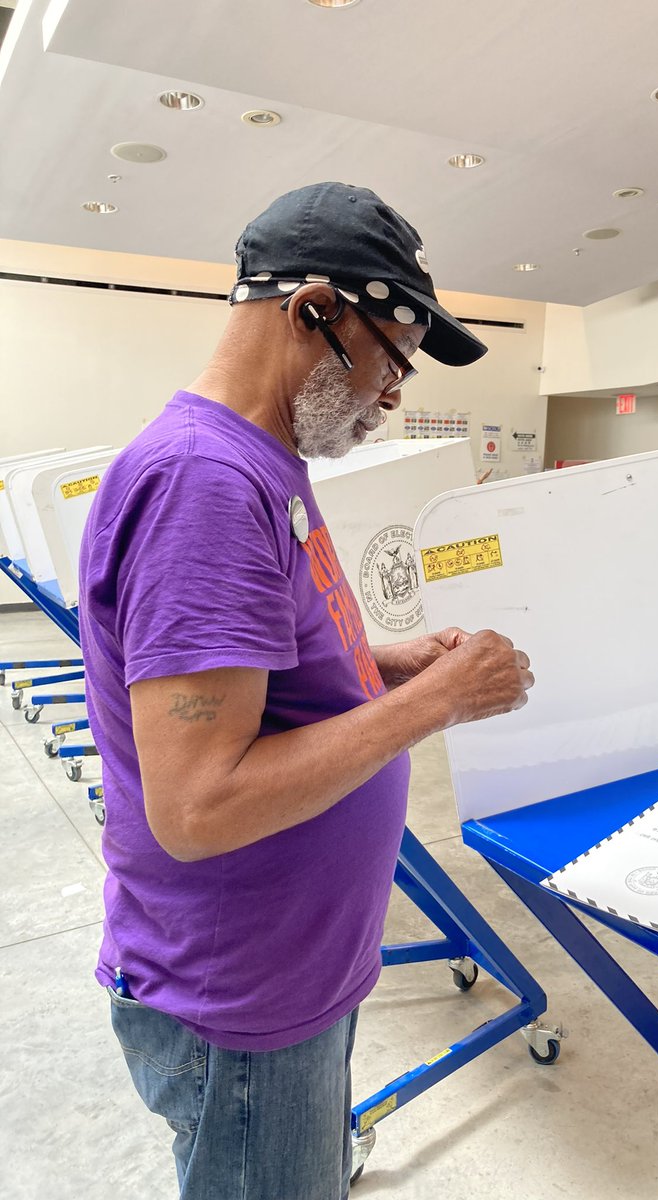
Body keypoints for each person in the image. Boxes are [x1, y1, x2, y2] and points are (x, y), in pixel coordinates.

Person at [78, 182, 534, 1200]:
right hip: (240, 1000)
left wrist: (380, 662)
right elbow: (200, 807)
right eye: (394, 356)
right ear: (313, 310)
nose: (396, 393)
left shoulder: (261, 463)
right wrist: (434, 705)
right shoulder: (206, 483)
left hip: (286, 973)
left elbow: (264, 665)